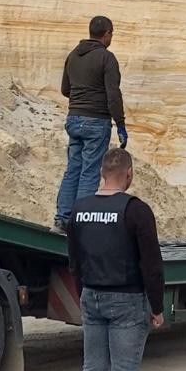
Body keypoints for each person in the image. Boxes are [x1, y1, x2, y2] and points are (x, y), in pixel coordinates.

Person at [67, 148, 164, 371]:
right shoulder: (136, 211)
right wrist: (157, 307)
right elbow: (152, 265)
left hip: (92, 297)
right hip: (126, 302)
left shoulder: (79, 210)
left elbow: (74, 261)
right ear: (130, 173)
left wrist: (85, 293)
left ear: (101, 173)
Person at [53, 15, 128, 234]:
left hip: (74, 118)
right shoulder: (107, 58)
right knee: (90, 172)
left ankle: (62, 219)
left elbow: (66, 89)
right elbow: (113, 94)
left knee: (72, 169)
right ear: (106, 34)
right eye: (111, 34)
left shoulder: (73, 56)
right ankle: (81, 223)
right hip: (96, 121)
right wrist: (121, 124)